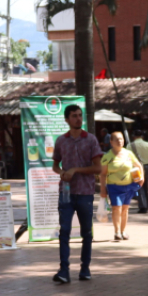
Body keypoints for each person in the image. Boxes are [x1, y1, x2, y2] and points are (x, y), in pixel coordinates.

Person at [51, 105, 102, 283]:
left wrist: (75, 170)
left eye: (80, 116)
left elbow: (98, 168)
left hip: (85, 192)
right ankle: (64, 270)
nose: (78, 119)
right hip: (66, 192)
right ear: (66, 119)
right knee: (64, 230)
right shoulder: (61, 141)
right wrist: (61, 173)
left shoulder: (91, 140)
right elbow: (55, 165)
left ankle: (85, 268)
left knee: (86, 232)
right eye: (74, 116)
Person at [100, 132, 144, 240]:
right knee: (116, 208)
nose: (119, 141)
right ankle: (117, 232)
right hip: (114, 186)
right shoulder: (107, 156)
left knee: (125, 209)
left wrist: (141, 177)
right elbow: (103, 174)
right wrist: (102, 189)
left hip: (129, 186)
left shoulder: (129, 153)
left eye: (121, 139)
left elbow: (138, 165)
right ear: (111, 142)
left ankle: (123, 231)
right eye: (117, 139)